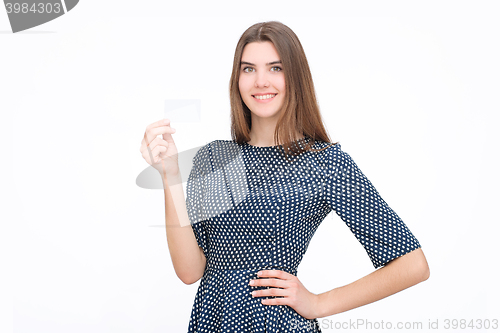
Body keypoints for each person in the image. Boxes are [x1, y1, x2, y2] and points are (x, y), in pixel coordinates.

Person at [140, 21, 429, 333]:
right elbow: (189, 270)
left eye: (275, 68)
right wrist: (170, 177)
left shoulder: (326, 163)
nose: (260, 81)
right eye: (248, 69)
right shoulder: (213, 157)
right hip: (212, 323)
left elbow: (412, 265)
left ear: (295, 77)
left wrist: (319, 303)